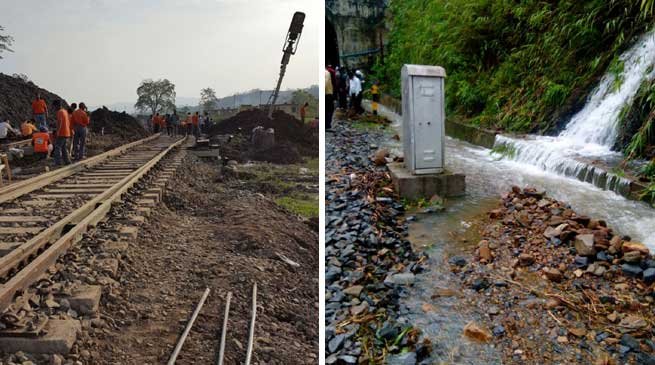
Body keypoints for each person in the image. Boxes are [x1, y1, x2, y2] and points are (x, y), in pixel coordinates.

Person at [52, 100, 72, 166]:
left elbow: (60, 122)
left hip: (62, 133)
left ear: (57, 105)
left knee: (57, 147)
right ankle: (67, 161)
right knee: (63, 148)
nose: (54, 108)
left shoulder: (59, 112)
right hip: (67, 132)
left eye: (54, 106)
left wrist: (58, 132)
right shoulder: (65, 111)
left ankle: (57, 162)